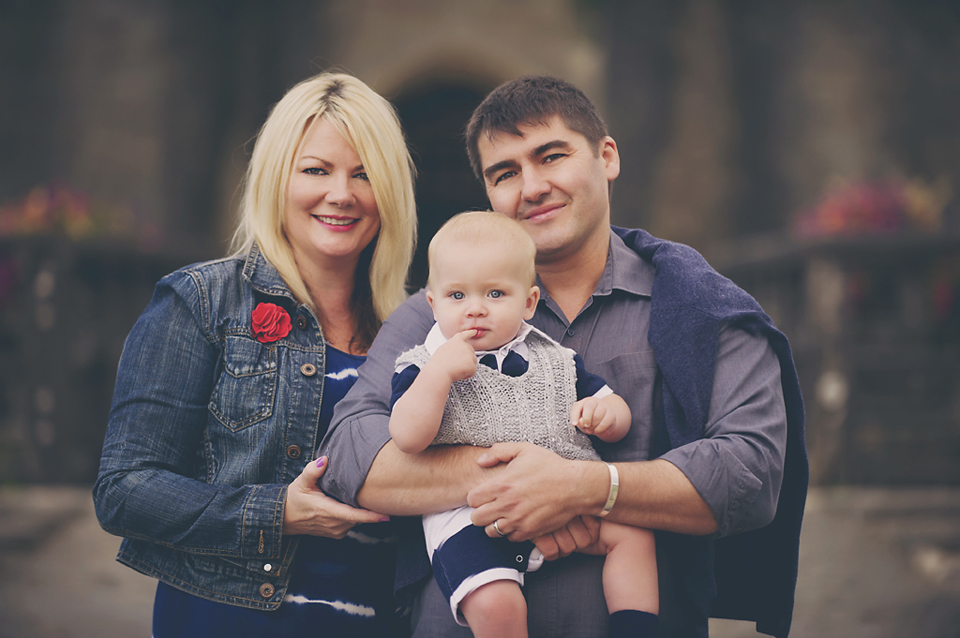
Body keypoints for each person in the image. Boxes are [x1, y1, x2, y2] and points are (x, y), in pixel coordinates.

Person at [320, 75, 807, 638]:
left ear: (607, 157)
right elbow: (350, 454)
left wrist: (583, 486)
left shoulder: (699, 307)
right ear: (490, 197)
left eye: (551, 156)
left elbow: (750, 473)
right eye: (505, 174)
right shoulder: (441, 315)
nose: (532, 187)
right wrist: (520, 481)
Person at [93, 72, 418, 637]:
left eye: (365, 174)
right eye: (316, 169)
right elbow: (125, 490)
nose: (342, 193)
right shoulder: (202, 301)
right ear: (277, 179)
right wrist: (278, 514)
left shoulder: (420, 330)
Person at [389, 211, 659, 638]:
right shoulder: (420, 367)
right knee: (496, 603)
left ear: (529, 302)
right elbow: (406, 437)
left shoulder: (556, 360)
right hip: (472, 518)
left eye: (495, 293)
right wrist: (438, 377)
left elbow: (615, 408)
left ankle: (637, 627)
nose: (475, 309)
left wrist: (606, 417)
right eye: (457, 296)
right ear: (432, 303)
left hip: (566, 502)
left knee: (632, 531)